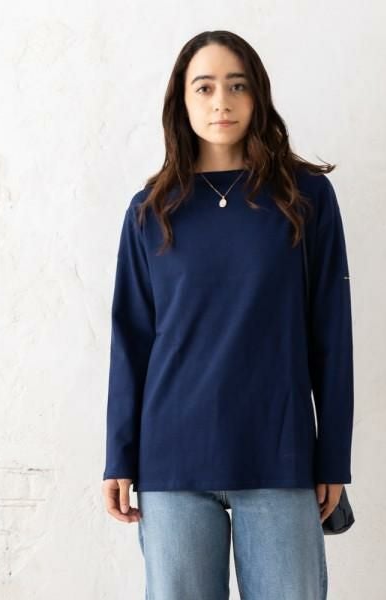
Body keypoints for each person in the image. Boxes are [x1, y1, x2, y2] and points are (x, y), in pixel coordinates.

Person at [101, 29, 354, 600]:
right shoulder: (150, 211)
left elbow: (331, 333)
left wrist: (333, 457)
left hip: (279, 452)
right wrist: (119, 455)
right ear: (182, 100)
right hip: (172, 458)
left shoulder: (305, 198)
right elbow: (131, 340)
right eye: (205, 87)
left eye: (237, 86)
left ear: (258, 95)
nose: (221, 101)